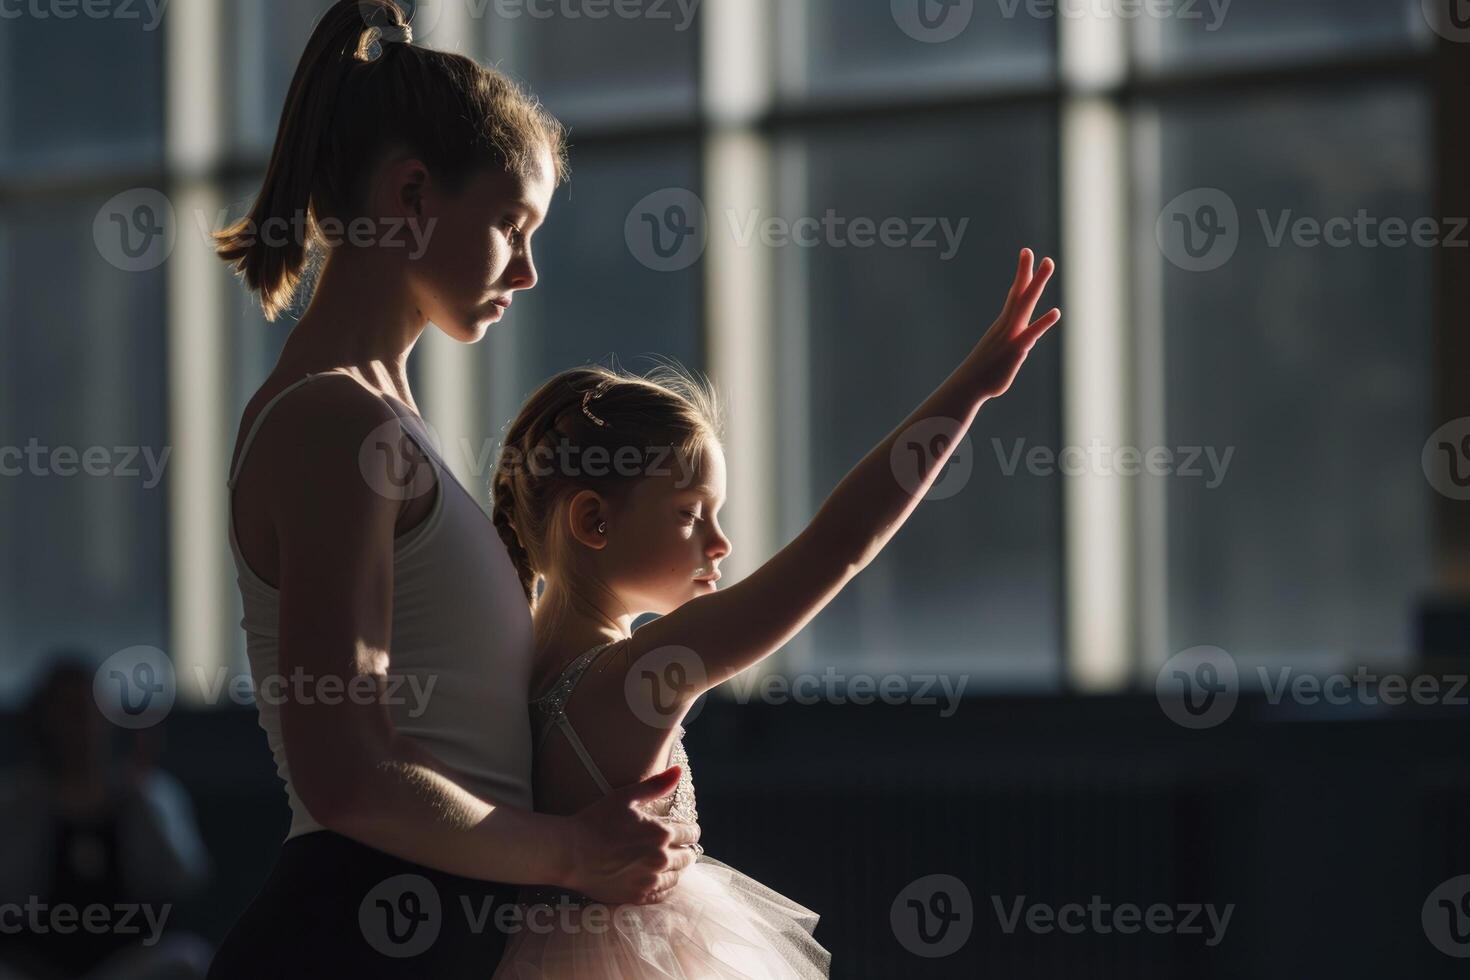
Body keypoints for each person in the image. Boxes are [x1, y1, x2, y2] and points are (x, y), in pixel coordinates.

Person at [206, 3, 702, 976]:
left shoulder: (386, 424)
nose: (525, 272)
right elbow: (347, 772)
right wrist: (571, 849)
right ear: (411, 195)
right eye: (513, 226)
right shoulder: (331, 421)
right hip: (353, 937)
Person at [485, 250, 1061, 975]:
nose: (721, 542)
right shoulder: (640, 672)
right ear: (593, 521)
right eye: (691, 515)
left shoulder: (507, 660)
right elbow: (838, 548)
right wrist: (970, 389)